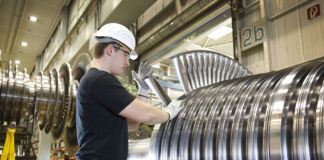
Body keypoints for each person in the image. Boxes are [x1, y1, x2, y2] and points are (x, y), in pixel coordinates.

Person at [75, 23, 182, 160]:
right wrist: (169, 112)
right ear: (110, 50)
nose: (127, 63)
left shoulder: (96, 81)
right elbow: (147, 115)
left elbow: (132, 124)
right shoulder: (99, 80)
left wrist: (142, 92)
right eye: (126, 54)